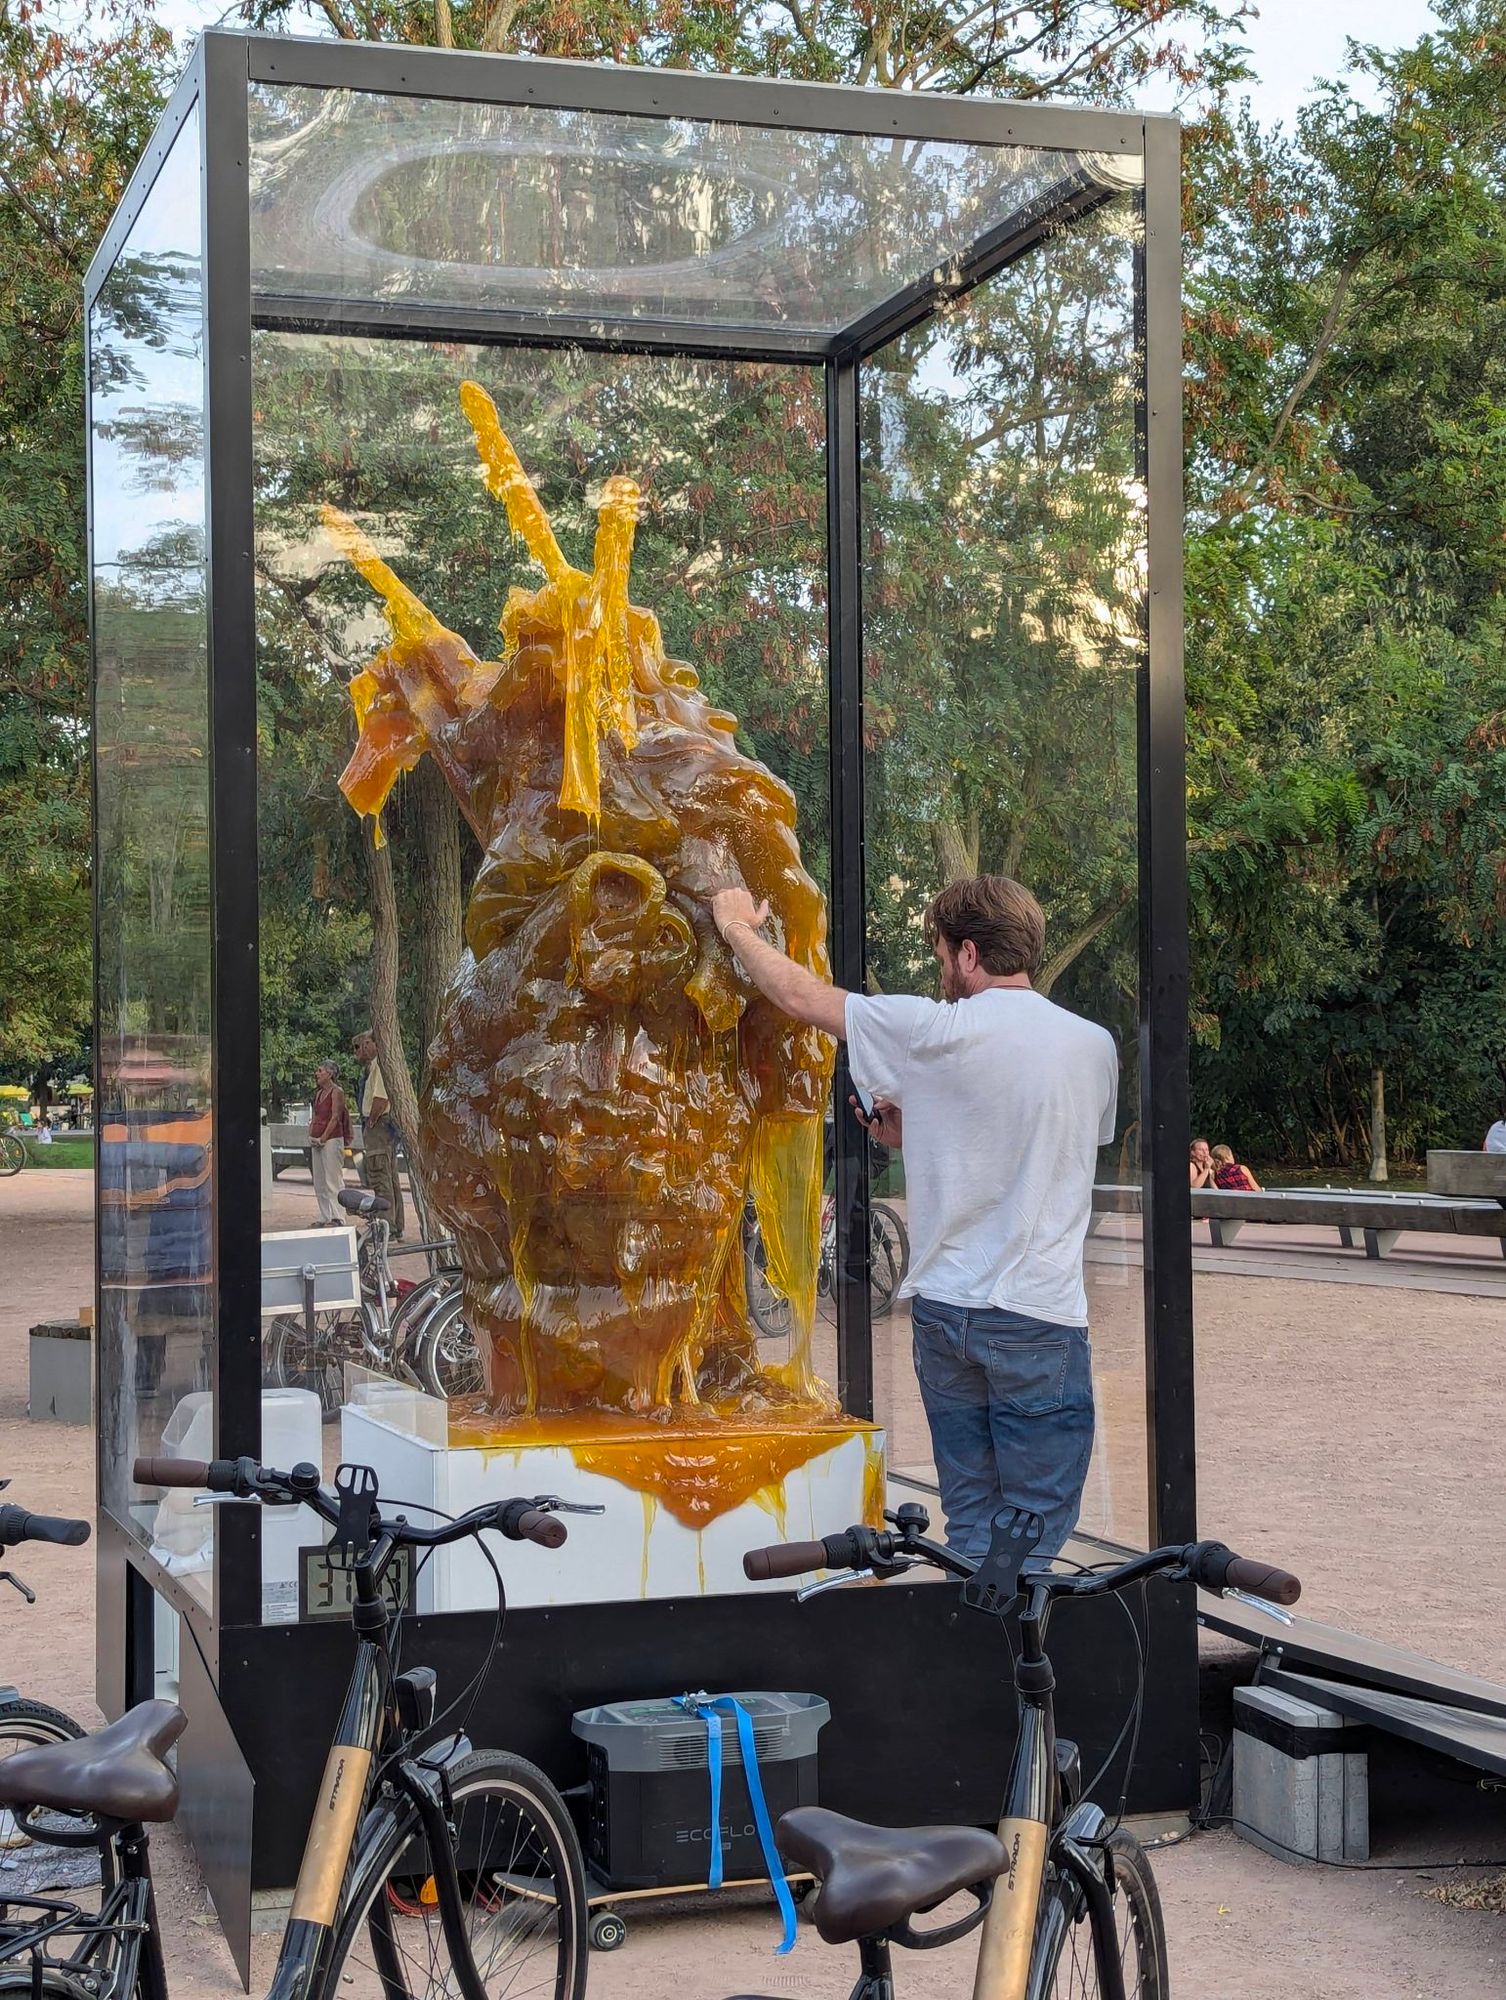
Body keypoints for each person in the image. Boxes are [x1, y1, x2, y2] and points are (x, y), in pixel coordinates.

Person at [711, 873, 1117, 1561]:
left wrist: (736, 927)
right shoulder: (1093, 1045)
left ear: (966, 953)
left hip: (946, 1313)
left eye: (939, 955)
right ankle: (1021, 1661)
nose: (942, 972)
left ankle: (972, 1646)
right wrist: (918, 1132)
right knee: (1037, 1531)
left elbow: (798, 995)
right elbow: (1043, 1143)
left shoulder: (931, 1030)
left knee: (970, 1521)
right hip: (1040, 1318)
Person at [353, 1030, 406, 1239]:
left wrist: (371, 1122)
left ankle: (388, 1227)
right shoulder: (373, 1068)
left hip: (379, 1124)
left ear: (374, 1044)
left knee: (380, 1175)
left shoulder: (381, 1067)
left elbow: (380, 1099)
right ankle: (394, 1224)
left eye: (364, 1044)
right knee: (388, 1177)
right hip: (382, 1125)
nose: (362, 1049)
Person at [308, 1061, 352, 1226]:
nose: (317, 1074)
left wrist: (324, 1137)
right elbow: (315, 1115)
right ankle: (325, 1214)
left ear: (330, 1074)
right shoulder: (319, 1093)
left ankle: (338, 1215)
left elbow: (335, 1117)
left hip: (332, 1139)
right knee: (319, 1179)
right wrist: (311, 1134)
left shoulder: (336, 1092)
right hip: (317, 1137)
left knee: (333, 1178)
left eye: (320, 1071)